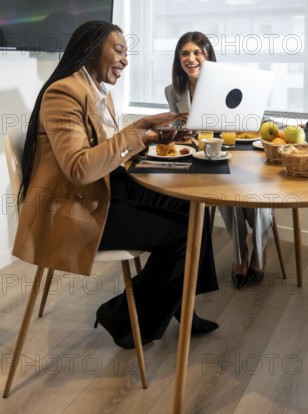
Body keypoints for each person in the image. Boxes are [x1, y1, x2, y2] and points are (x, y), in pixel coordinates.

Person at [13, 20, 219, 349]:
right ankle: (123, 316)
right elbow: (80, 168)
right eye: (119, 50)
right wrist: (139, 132)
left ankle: (178, 302)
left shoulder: (100, 94)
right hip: (72, 210)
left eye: (127, 53)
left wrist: (150, 130)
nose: (125, 60)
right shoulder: (63, 93)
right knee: (183, 234)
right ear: (88, 50)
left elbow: (110, 153)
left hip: (102, 190)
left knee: (192, 204)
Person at [165, 31, 274, 289]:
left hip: (240, 151)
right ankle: (241, 254)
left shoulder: (228, 83)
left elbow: (253, 118)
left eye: (197, 53)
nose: (190, 58)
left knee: (253, 197)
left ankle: (259, 250)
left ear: (207, 56)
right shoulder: (173, 91)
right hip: (205, 157)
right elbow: (180, 131)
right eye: (184, 53)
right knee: (227, 196)